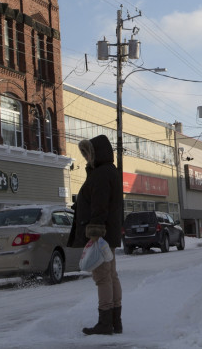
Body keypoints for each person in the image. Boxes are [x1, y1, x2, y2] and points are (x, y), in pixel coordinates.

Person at [67, 135, 123, 336]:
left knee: (102, 278)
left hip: (101, 235)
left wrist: (94, 234)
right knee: (111, 276)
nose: (86, 158)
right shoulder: (109, 172)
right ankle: (115, 321)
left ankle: (105, 322)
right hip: (110, 233)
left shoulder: (100, 175)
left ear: (96, 153)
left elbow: (100, 207)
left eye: (88, 153)